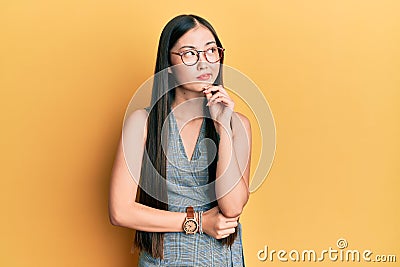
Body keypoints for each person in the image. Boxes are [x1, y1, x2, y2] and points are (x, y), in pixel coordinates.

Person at [109, 14, 252, 266]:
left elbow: (231, 208)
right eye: (189, 54)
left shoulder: (237, 124)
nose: (204, 63)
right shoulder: (142, 123)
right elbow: (120, 211)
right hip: (162, 260)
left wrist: (223, 129)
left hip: (220, 260)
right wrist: (198, 222)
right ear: (169, 62)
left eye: (211, 51)